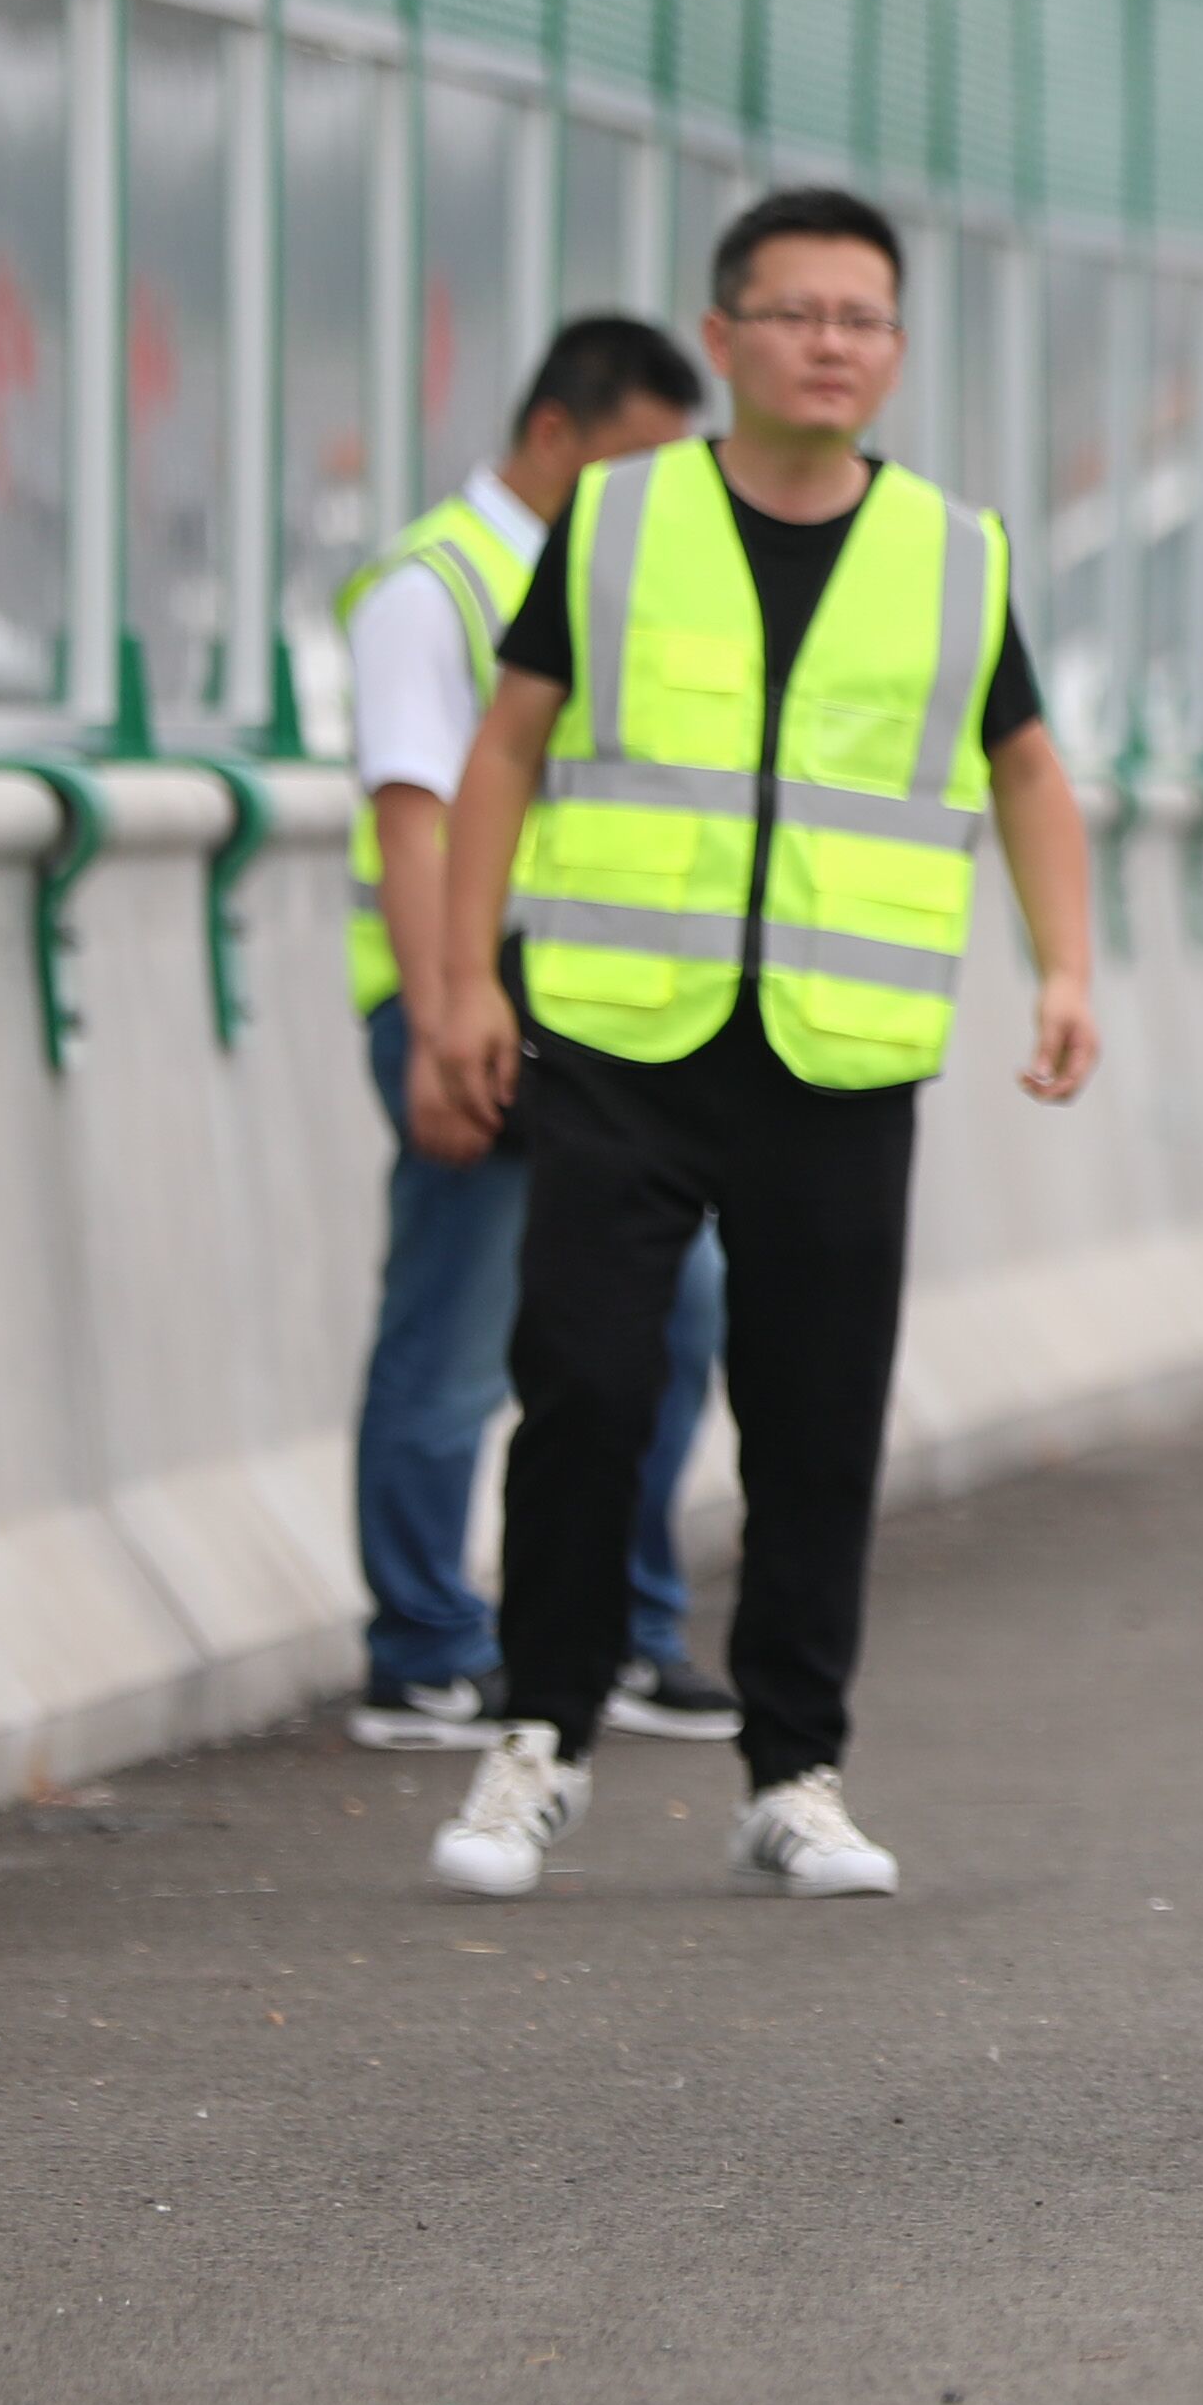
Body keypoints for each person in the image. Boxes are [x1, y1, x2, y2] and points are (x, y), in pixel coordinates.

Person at [397, 188, 1103, 1906]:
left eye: (862, 319)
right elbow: (506, 748)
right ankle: (540, 1737)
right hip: (625, 1036)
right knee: (581, 1379)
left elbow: (1022, 764)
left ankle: (794, 1768)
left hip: (840, 1052)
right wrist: (464, 986)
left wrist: (1065, 964)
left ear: (897, 351)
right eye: (795, 315)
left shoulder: (955, 552)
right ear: (723, 341)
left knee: (815, 1419)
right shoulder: (624, 521)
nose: (831, 345)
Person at [335, 313, 739, 1754]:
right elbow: (413, 811)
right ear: (556, 433)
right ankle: (427, 1646)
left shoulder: (621, 579)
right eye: (636, 458)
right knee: (454, 1328)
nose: (659, 489)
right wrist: (450, 1016)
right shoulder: (434, 585)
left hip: (600, 1017)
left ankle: (624, 1627)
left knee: (674, 1310)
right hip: (471, 997)